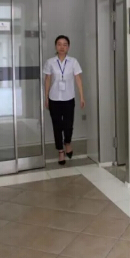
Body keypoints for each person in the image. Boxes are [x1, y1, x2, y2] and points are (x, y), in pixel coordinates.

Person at [44, 35, 85, 165]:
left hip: (68, 98)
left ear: (68, 47)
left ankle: (67, 142)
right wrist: (46, 97)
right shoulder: (50, 62)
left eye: (65, 44)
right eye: (59, 44)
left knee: (68, 125)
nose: (62, 47)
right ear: (56, 46)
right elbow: (47, 80)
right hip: (54, 98)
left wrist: (82, 96)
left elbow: (78, 79)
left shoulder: (73, 62)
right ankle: (60, 151)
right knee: (57, 126)